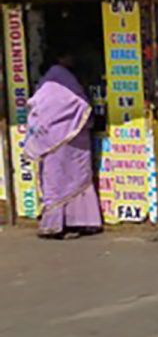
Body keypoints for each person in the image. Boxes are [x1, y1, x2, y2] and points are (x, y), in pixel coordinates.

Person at [23, 48, 102, 238]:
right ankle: (78, 222)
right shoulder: (62, 78)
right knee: (75, 179)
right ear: (60, 57)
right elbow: (79, 105)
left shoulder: (48, 81)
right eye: (69, 55)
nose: (72, 58)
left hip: (53, 139)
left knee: (55, 180)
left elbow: (39, 108)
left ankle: (57, 224)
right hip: (70, 137)